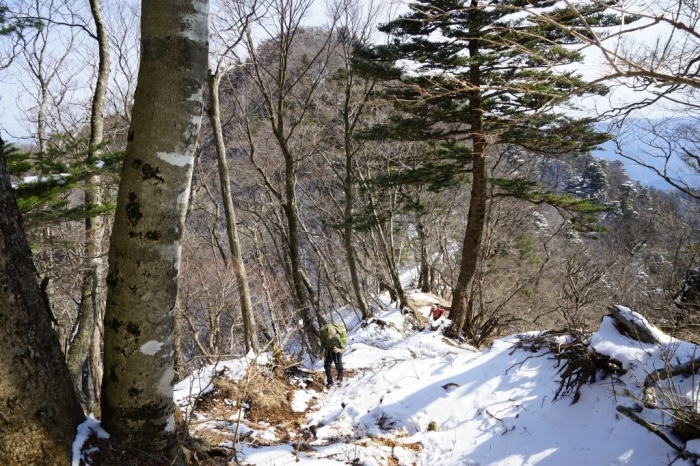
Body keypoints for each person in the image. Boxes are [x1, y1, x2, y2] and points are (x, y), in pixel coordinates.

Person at [319, 322, 347, 389]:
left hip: (337, 349)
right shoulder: (323, 336)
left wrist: (338, 350)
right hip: (328, 350)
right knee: (327, 365)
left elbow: (343, 348)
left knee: (338, 364)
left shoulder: (336, 336)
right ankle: (330, 382)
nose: (329, 338)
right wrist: (321, 352)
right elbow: (322, 344)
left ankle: (340, 379)